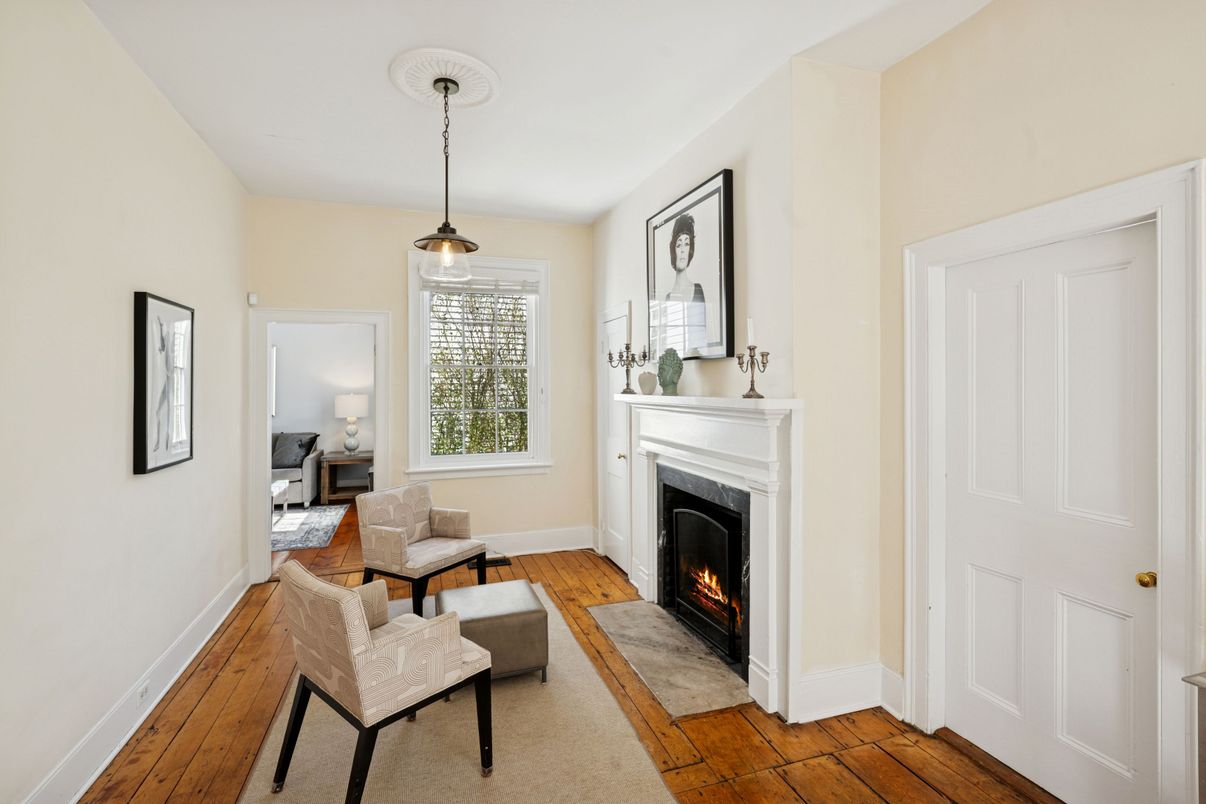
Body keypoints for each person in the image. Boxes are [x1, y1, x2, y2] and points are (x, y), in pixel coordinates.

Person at [662, 213, 708, 355]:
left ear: (690, 250)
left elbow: (701, 338)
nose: (682, 250)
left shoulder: (698, 290)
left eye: (687, 243)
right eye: (679, 244)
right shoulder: (668, 299)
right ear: (673, 250)